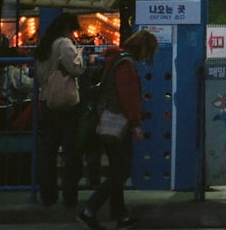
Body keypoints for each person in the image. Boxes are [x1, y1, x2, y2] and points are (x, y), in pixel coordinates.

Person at [77, 29, 158, 230]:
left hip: (107, 119)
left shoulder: (114, 58)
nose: (147, 57)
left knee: (117, 170)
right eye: (149, 52)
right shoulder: (126, 64)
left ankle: (120, 215)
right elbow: (127, 96)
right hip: (118, 122)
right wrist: (136, 123)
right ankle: (90, 209)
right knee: (122, 171)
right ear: (143, 47)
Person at [33, 13, 85, 208]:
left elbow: (39, 76)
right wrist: (80, 55)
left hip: (47, 102)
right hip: (67, 104)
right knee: (71, 152)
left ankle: (48, 195)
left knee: (48, 151)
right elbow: (77, 69)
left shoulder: (44, 46)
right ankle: (70, 196)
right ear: (66, 28)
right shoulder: (64, 43)